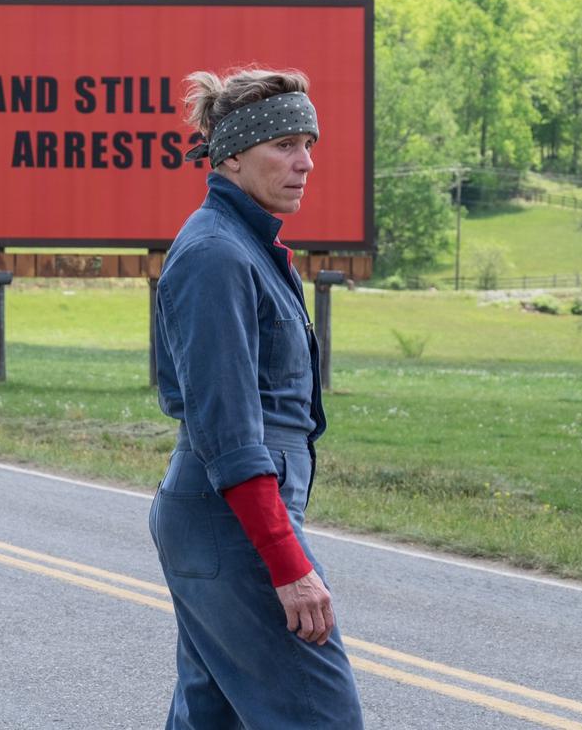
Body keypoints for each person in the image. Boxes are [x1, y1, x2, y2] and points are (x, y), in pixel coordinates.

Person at [149, 68, 364, 729]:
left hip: (221, 523)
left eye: (309, 143)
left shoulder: (243, 245)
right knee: (321, 718)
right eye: (285, 145)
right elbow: (229, 432)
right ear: (232, 156)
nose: (305, 163)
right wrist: (287, 562)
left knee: (213, 721)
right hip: (232, 523)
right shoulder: (217, 255)